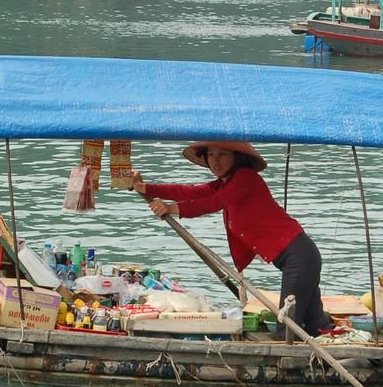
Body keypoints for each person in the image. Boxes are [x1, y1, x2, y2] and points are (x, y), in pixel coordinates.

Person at [131, 141, 332, 340]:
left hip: (300, 257)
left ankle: (298, 365)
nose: (216, 161)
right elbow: (190, 191)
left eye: (223, 155)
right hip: (298, 259)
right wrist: (145, 188)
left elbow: (214, 203)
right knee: (317, 325)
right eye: (211, 155)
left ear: (237, 157)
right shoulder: (225, 182)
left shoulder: (246, 178)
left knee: (287, 328)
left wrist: (171, 208)